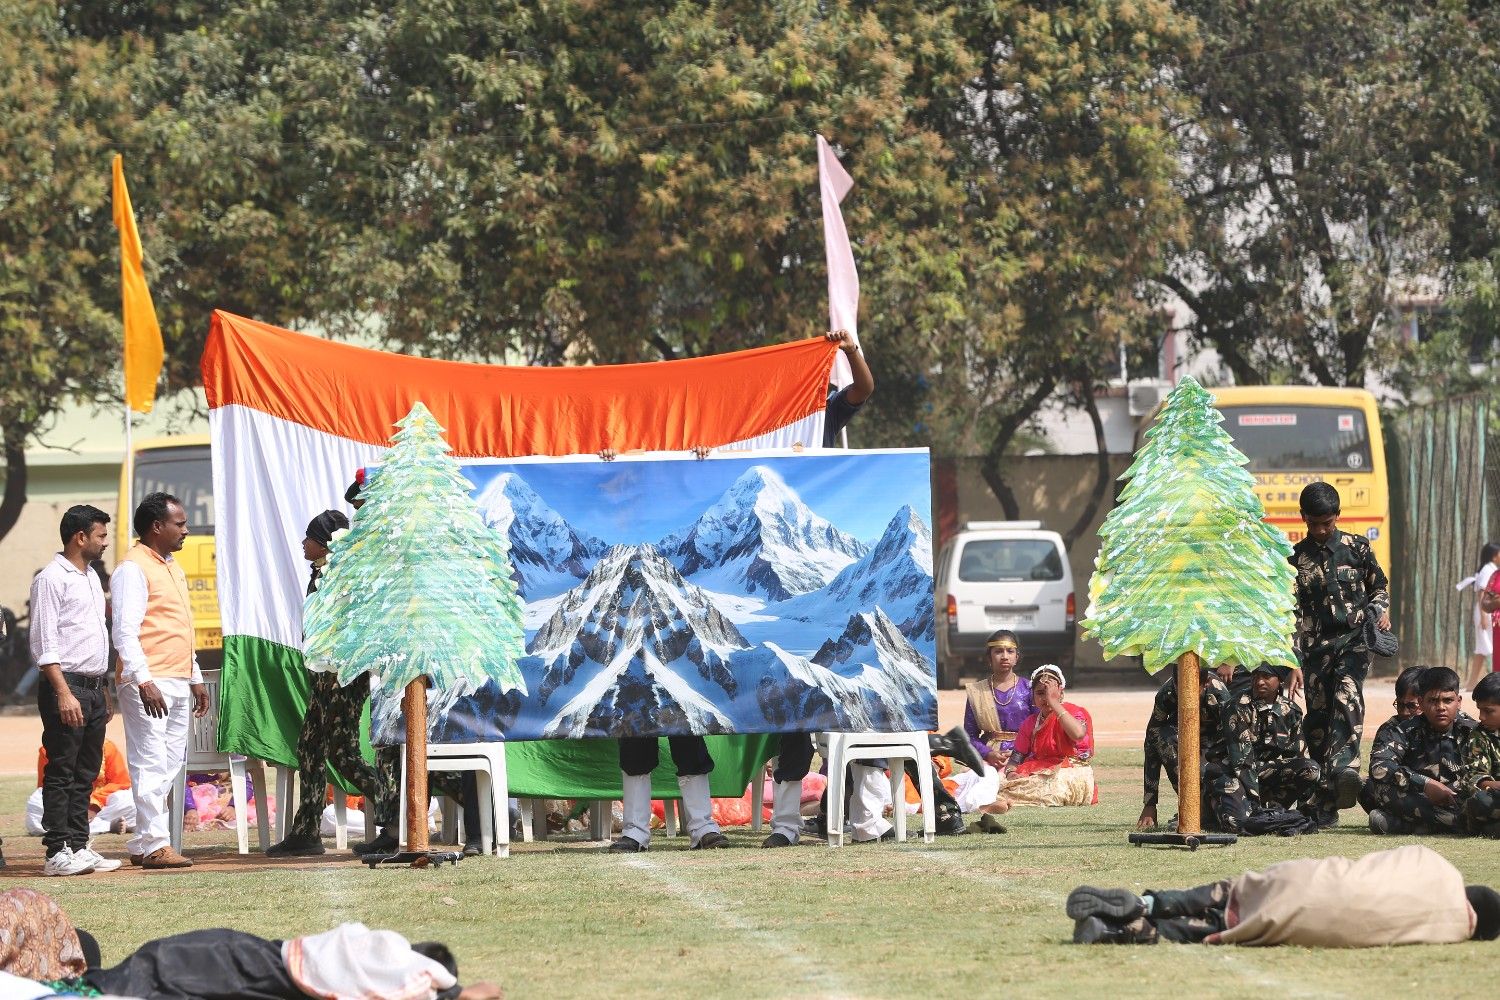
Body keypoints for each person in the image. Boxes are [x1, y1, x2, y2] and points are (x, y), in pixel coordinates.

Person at [765, 330, 879, 847]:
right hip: (788, 607)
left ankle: (868, 821)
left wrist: (850, 350)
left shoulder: (822, 415)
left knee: (859, 712)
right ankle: (786, 826)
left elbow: (863, 390)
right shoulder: (752, 428)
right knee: (794, 719)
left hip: (836, 588)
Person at [269, 510, 402, 858]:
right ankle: (306, 832)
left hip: (341, 675)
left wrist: (338, 671)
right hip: (325, 676)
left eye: (310, 536)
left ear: (326, 542)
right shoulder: (323, 572)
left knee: (341, 754)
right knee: (312, 748)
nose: (303, 542)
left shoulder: (344, 575)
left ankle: (398, 814)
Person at [1066, 844, 1499, 947]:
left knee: (1235, 890)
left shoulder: (1434, 865)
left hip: (1310, 880)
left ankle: (1149, 903)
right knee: (1226, 926)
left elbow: (1380, 863)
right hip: (1307, 920)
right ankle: (1120, 930)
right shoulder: (1447, 931)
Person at [112, 492, 209, 869]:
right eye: (179, 524)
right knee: (150, 762)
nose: (186, 530)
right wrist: (143, 680)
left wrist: (195, 676)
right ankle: (155, 844)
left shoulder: (171, 566)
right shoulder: (132, 568)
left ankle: (143, 840)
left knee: (169, 764)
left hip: (178, 677)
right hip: (149, 680)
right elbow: (124, 632)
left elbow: (180, 626)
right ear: (157, 526)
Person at [1288, 482, 1389, 827]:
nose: (1320, 530)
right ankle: (1324, 802)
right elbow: (1291, 614)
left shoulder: (1357, 548)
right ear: (1303, 517)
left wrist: (1380, 610)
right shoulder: (1294, 559)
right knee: (1318, 720)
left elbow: (1379, 587)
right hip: (1315, 649)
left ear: (1337, 516)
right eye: (1314, 523)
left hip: (1354, 639)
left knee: (1347, 692)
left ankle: (1345, 767)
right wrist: (1293, 660)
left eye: (1327, 523)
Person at [28, 505, 120, 878]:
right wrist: (63, 692)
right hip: (66, 687)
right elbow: (43, 642)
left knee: (86, 771)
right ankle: (57, 852)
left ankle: (79, 846)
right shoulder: (52, 578)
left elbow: (94, 637)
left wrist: (103, 687)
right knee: (62, 769)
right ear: (80, 537)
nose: (106, 542)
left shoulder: (90, 577)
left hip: (93, 687)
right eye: (101, 535)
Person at [79, 921, 500, 999]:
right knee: (117, 982)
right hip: (228, 960)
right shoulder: (387, 950)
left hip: (227, 964)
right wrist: (459, 992)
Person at [1136, 664, 1253, 832]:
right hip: (1182, 745)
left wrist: (1249, 794)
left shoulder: (1220, 696)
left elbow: (1236, 745)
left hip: (1215, 751)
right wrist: (1150, 804)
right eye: (1180, 688)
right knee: (1162, 736)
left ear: (1205, 683)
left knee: (1236, 820)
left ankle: (1208, 806)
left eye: (1192, 689)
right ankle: (1190, 807)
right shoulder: (1166, 694)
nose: (1186, 695)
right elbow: (1151, 741)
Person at [1365, 666, 1476, 835]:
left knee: (1482, 800)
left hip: (1459, 798)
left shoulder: (1472, 730)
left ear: (1458, 702)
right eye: (1433, 701)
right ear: (1422, 702)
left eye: (1447, 700)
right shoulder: (1403, 730)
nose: (1440, 707)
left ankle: (1408, 826)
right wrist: (1425, 784)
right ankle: (1459, 824)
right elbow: (1379, 767)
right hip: (1418, 796)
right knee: (1379, 790)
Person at [984, 665, 1095, 810]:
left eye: (1051, 693)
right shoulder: (1030, 723)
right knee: (997, 782)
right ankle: (997, 803)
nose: (1045, 698)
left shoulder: (1075, 713)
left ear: (1061, 692)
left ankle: (1002, 801)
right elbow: (1016, 758)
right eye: (1041, 693)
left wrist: (1054, 702)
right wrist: (1011, 773)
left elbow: (1078, 734)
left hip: (1072, 772)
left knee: (1049, 787)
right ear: (1033, 697)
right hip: (1040, 771)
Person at [25, 739, 133, 838]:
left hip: (102, 809)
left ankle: (72, 826)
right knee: (37, 800)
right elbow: (46, 788)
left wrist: (94, 805)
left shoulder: (106, 746)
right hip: (65, 808)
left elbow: (120, 783)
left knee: (129, 800)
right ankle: (106, 826)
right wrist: (70, 807)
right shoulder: (49, 748)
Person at [1247, 664, 1320, 811]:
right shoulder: (1240, 706)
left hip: (1268, 773)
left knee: (1310, 769)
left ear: (1280, 679)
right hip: (1242, 772)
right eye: (1256, 676)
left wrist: (1304, 807)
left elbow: (1298, 755)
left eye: (1266, 677)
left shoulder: (1291, 711)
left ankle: (1276, 810)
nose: (1259, 682)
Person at [1459, 672, 1500, 837]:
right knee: (1479, 802)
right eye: (1480, 710)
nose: (1481, 717)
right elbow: (1478, 780)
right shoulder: (1479, 736)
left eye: (1488, 711)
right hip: (1495, 797)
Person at [1462, 542, 1500, 691]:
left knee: (1483, 648)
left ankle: (1472, 683)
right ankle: (1482, 683)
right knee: (1485, 647)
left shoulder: (1491, 569)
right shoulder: (1488, 570)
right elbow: (1482, 594)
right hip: (1486, 614)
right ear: (1494, 555)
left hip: (1488, 614)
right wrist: (1484, 616)